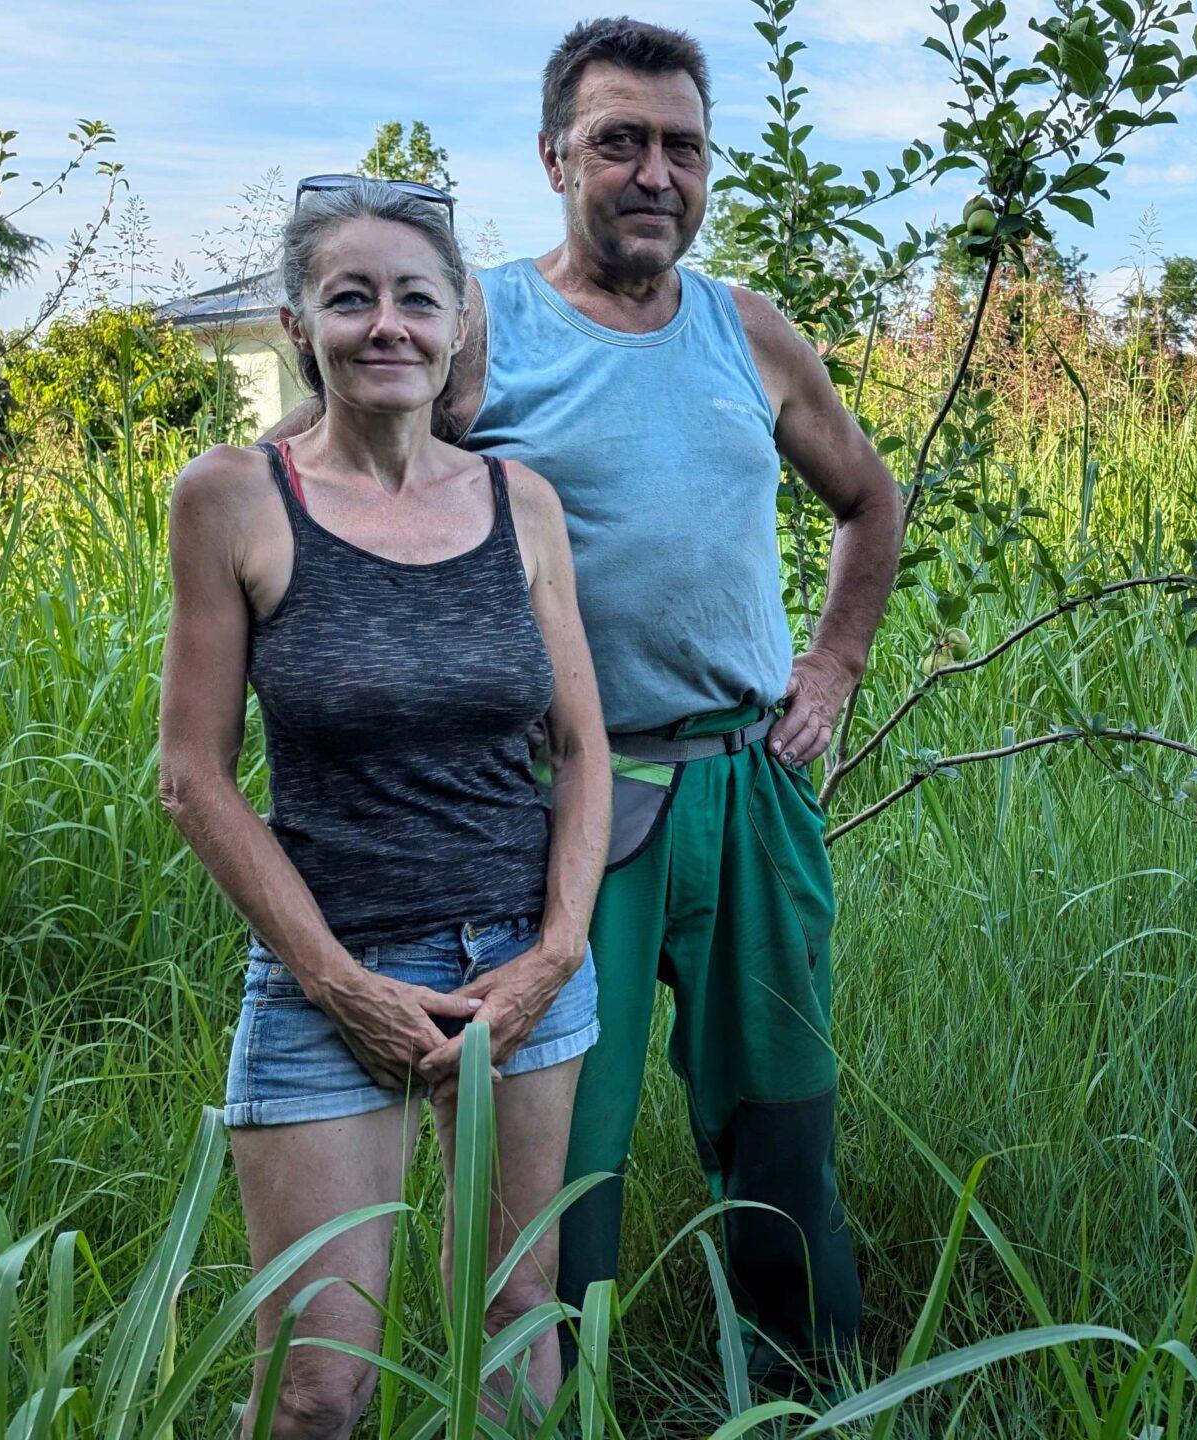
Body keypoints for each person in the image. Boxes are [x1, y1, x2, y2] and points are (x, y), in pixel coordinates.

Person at [265, 13, 905, 1395]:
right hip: (560, 804)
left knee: (783, 1118)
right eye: (619, 141)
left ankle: (813, 1395)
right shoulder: (474, 320)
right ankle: (564, 1404)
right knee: (571, 1156)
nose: (653, 173)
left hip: (747, 785)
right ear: (555, 155)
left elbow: (869, 501)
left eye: (682, 146)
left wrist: (835, 665)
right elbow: (317, 481)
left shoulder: (750, 333)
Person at [159, 176, 611, 1437]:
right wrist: (338, 985)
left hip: (519, 971)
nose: (387, 326)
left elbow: (582, 749)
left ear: (461, 320)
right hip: (333, 971)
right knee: (318, 1385)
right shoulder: (235, 497)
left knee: (515, 1330)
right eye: (349, 298)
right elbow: (193, 776)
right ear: (301, 324)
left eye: (417, 298)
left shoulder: (520, 502)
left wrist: (557, 950)